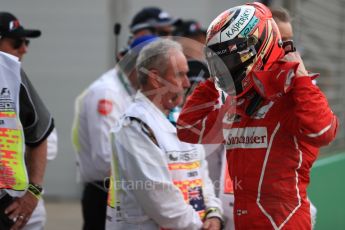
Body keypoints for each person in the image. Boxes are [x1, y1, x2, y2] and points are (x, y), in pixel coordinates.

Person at [176, 2, 338, 229]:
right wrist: (214, 79)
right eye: (219, 62)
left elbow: (323, 131)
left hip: (284, 220)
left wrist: (300, 77)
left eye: (229, 61)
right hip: (243, 218)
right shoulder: (237, 100)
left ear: (259, 47)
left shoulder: (294, 92)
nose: (225, 68)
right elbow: (187, 129)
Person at [106, 39, 223, 230]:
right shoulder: (134, 125)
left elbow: (203, 179)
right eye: (180, 75)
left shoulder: (183, 122)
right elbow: (160, 200)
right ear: (155, 78)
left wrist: (214, 213)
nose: (187, 83)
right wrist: (201, 226)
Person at [0, 12, 54, 230]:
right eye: (17, 42)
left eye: (26, 42)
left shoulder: (11, 77)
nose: (24, 49)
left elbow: (39, 135)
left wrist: (33, 192)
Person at [271, 7, 318, 229]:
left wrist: (302, 80)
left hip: (289, 199)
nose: (288, 50)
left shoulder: (302, 82)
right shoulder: (234, 88)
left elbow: (320, 130)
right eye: (281, 41)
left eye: (290, 41)